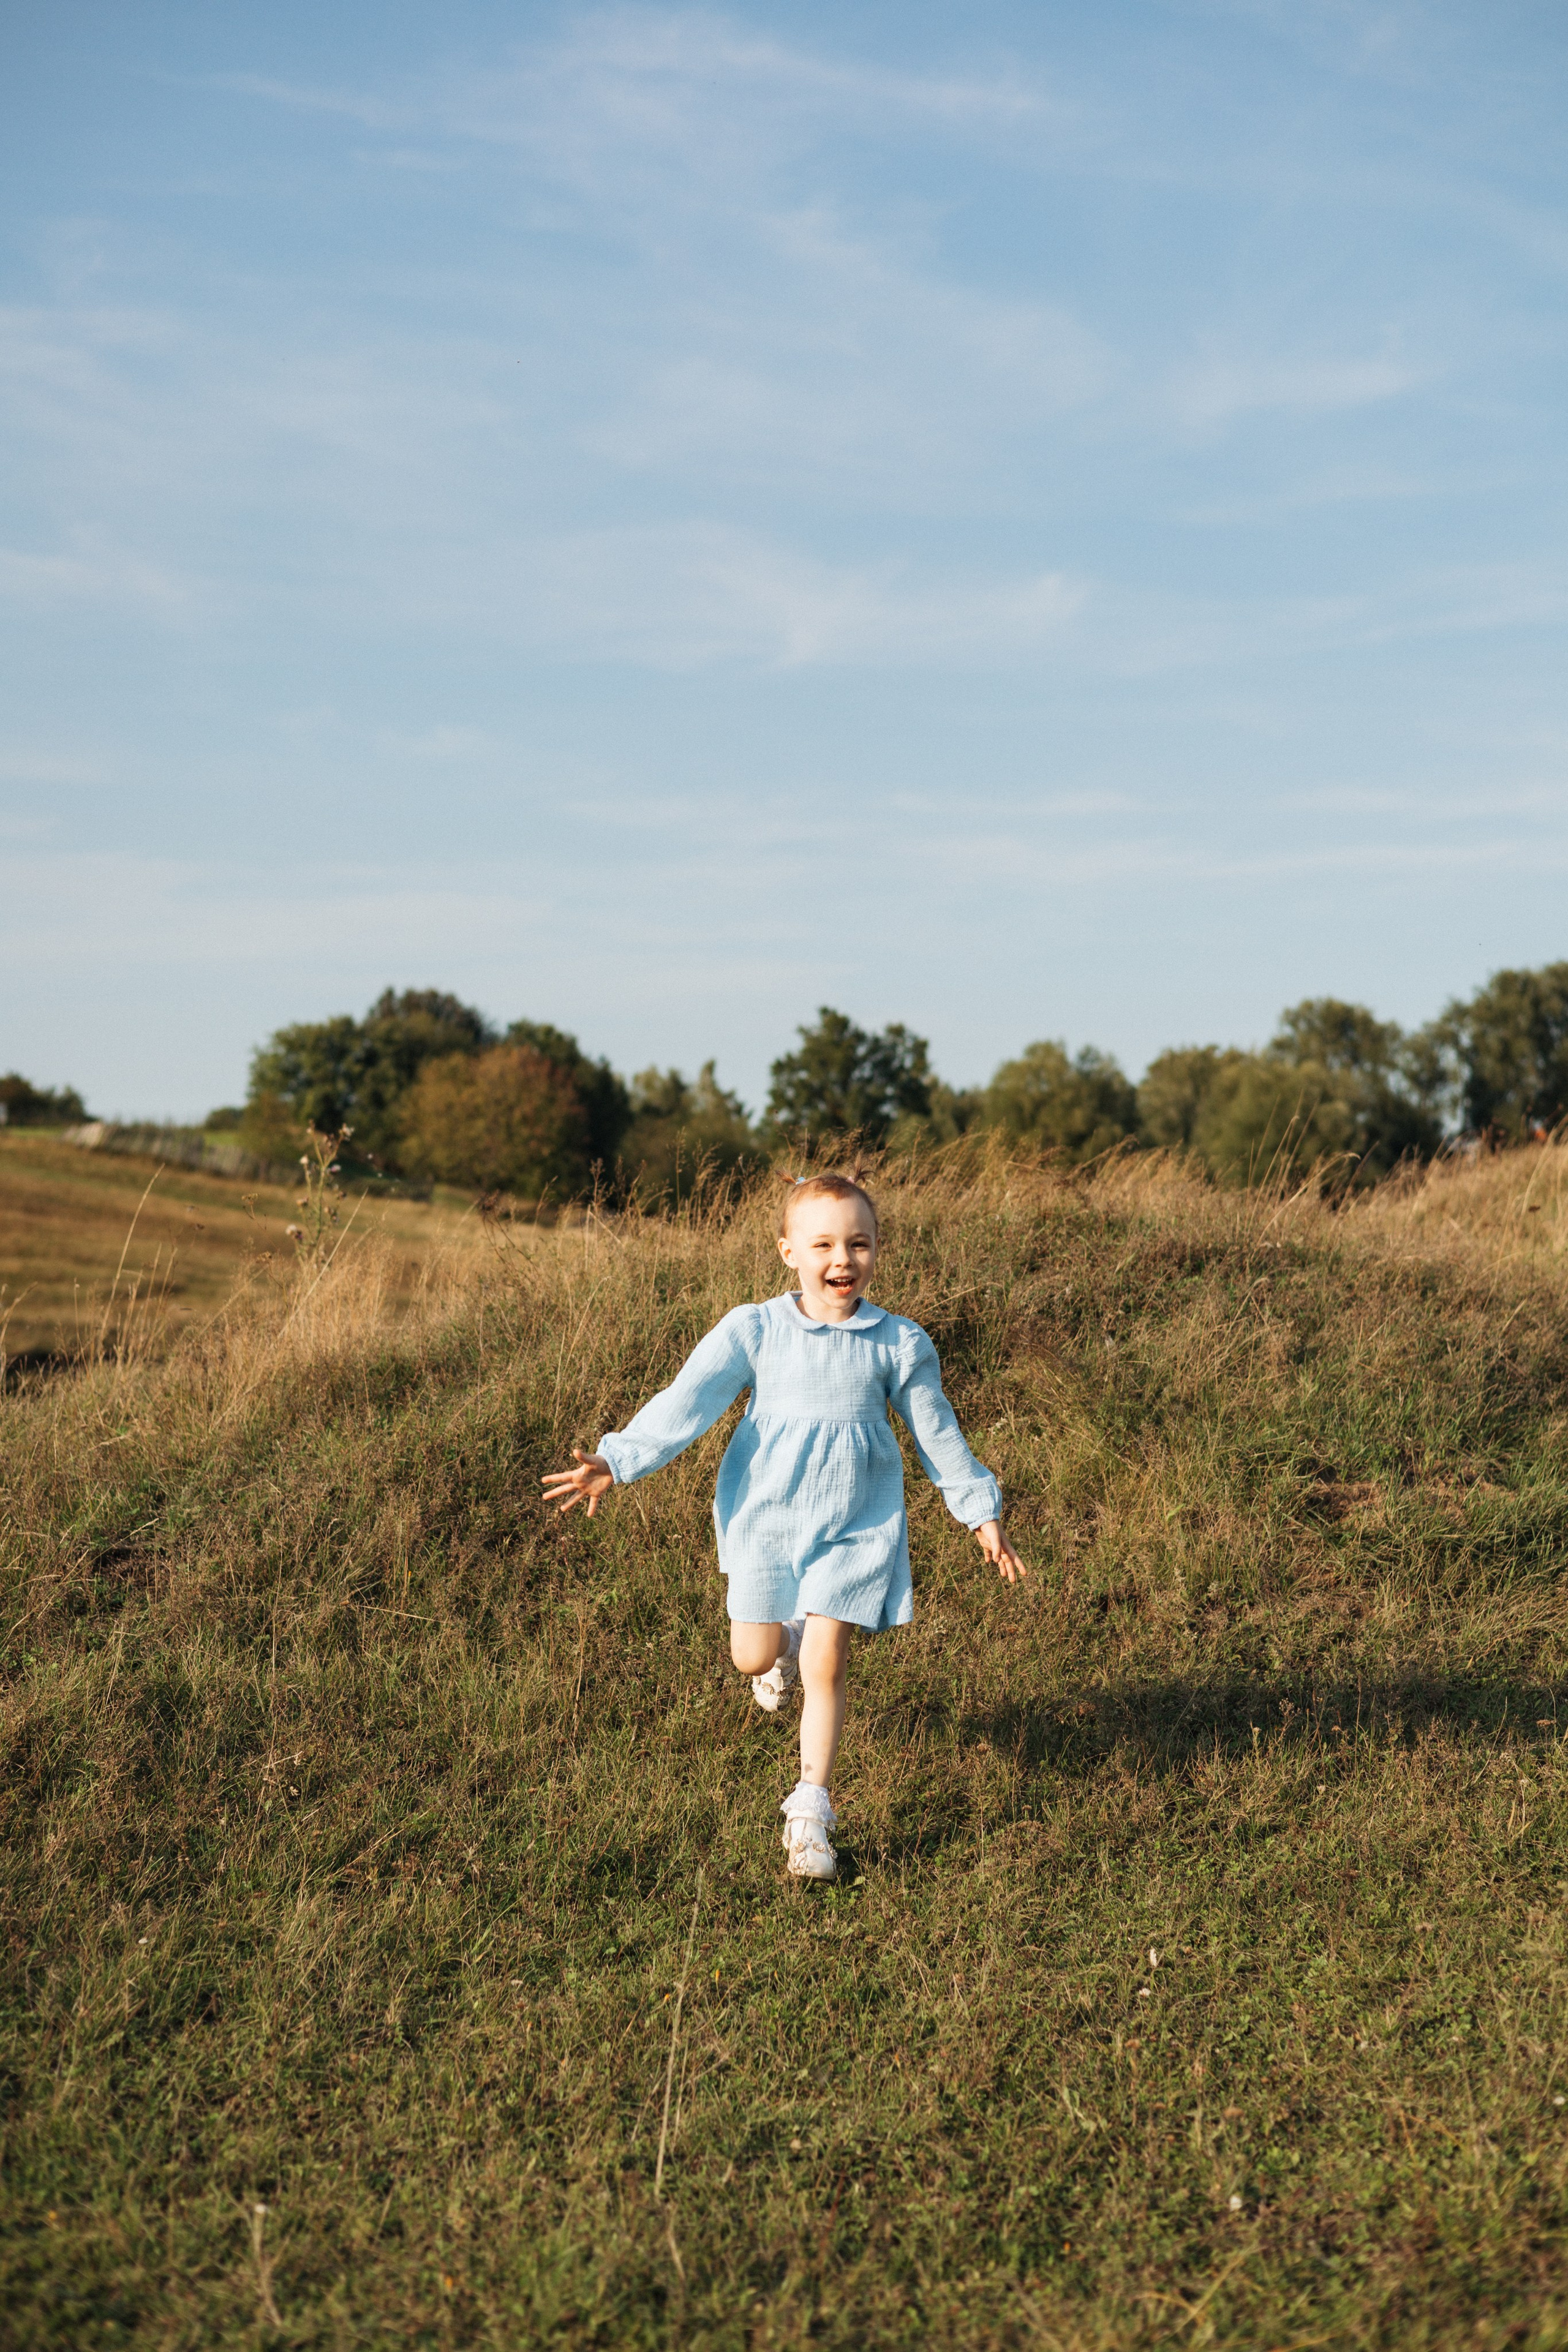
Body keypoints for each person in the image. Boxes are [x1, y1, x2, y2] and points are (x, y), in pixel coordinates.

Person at [541, 1172, 1025, 1882]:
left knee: (828, 1662)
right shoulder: (756, 1328)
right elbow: (689, 1400)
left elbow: (937, 1433)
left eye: (858, 1244)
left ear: (876, 1250)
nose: (843, 1258)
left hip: (857, 1523)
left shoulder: (898, 1342)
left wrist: (979, 1511)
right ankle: (783, 1645)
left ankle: (809, 1811)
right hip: (764, 1516)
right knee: (750, 1656)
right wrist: (618, 1460)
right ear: (787, 1252)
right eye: (824, 1243)